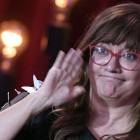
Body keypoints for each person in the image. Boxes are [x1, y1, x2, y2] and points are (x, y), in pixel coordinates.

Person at [1, 2, 140, 140]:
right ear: (88, 57)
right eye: (102, 51)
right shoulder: (44, 107)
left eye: (129, 56)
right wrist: (38, 99)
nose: (111, 67)